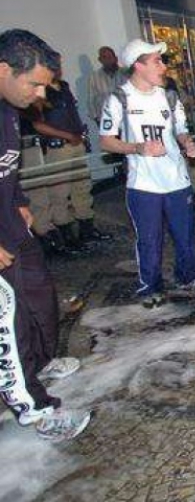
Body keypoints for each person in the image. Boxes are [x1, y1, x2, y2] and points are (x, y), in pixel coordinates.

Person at [0, 29, 91, 441]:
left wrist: (17, 197)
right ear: (4, 69)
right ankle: (34, 410)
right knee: (8, 322)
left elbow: (7, 167)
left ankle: (38, 361)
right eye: (34, 82)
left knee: (39, 295)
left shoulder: (7, 108)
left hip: (12, 225)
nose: (40, 94)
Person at [99, 39, 195, 309]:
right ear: (138, 65)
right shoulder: (118, 98)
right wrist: (137, 147)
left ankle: (188, 276)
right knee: (150, 239)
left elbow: (181, 129)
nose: (164, 66)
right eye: (157, 61)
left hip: (177, 179)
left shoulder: (169, 96)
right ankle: (150, 285)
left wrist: (187, 142)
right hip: (143, 184)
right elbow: (106, 141)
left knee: (185, 234)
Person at [29, 65, 111, 249]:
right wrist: (67, 136)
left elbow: (73, 114)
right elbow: (38, 124)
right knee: (59, 193)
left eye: (59, 64)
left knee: (82, 188)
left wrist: (81, 136)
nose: (57, 69)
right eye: (53, 65)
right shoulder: (40, 90)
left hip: (76, 143)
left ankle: (87, 230)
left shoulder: (64, 87)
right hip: (58, 147)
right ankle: (67, 238)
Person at [88, 46, 126, 126]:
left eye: (110, 57)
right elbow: (91, 100)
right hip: (106, 121)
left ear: (116, 58)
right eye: (104, 57)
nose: (108, 60)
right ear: (100, 60)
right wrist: (97, 119)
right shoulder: (94, 78)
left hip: (126, 119)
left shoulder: (126, 74)